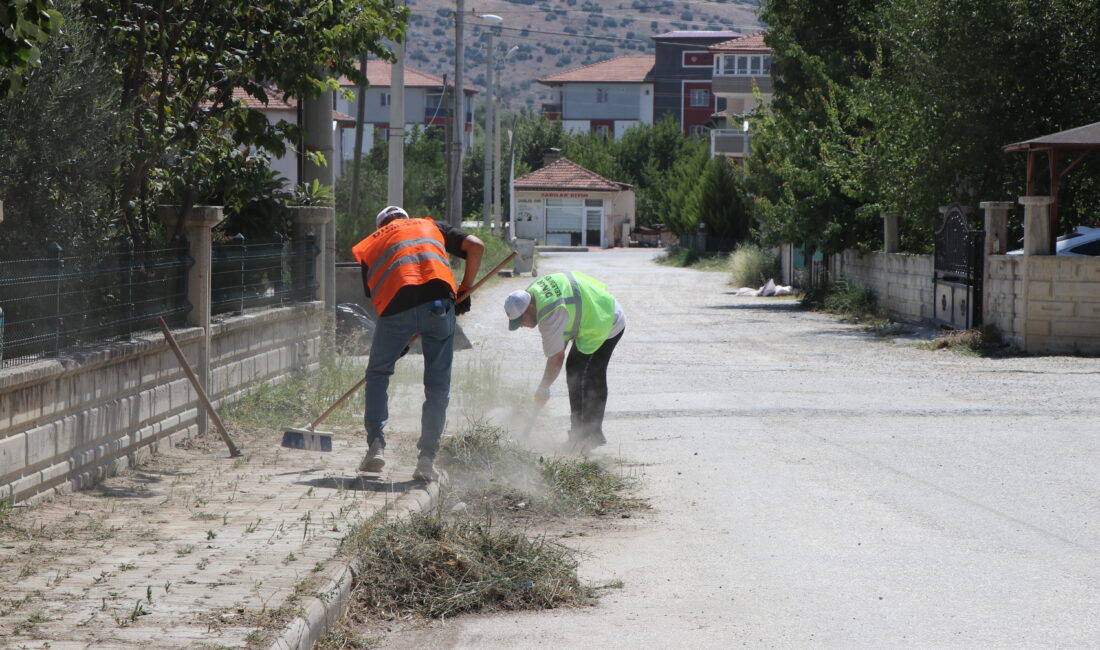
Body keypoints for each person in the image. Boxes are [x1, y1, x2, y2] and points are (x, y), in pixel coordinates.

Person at [351, 205, 484, 481]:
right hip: (439, 303)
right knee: (437, 388)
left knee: (378, 374)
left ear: (381, 226)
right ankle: (426, 461)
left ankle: (376, 445)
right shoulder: (431, 225)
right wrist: (465, 289)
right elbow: (477, 246)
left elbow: (385, 297)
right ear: (406, 218)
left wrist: (399, 341)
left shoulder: (372, 243)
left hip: (395, 310)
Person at [504, 272, 625, 452]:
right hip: (598, 309)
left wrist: (543, 388)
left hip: (605, 322)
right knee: (585, 372)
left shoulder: (548, 314)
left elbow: (556, 358)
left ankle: (583, 438)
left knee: (579, 373)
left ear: (529, 308)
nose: (521, 326)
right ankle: (588, 434)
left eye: (521, 321)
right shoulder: (533, 293)